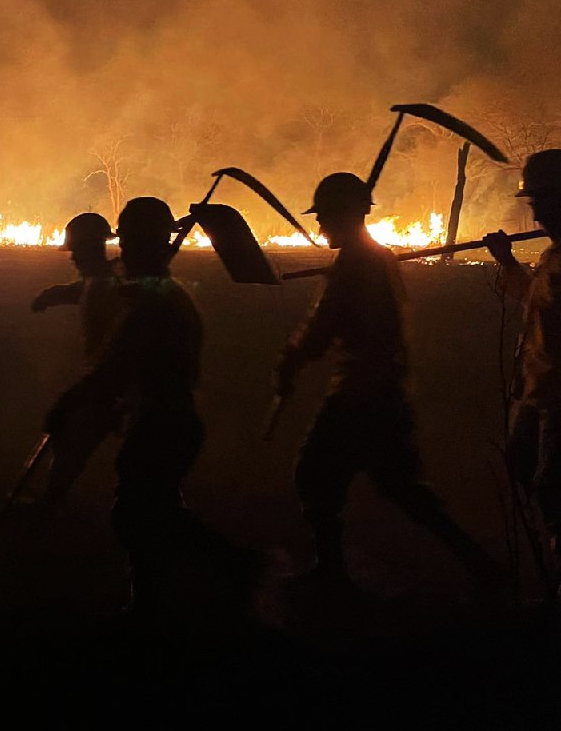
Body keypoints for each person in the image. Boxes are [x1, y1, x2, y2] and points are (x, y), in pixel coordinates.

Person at [276, 172, 496, 590]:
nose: (320, 225)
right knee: (401, 487)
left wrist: (293, 359)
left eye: (326, 216)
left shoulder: (361, 263)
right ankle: (479, 563)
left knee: (316, 476)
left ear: (348, 215)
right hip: (380, 387)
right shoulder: (368, 259)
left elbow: (327, 324)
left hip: (363, 390)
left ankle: (332, 574)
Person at [48, 197, 256, 610]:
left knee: (140, 516)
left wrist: (70, 402)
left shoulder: (157, 299)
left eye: (130, 246)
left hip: (165, 421)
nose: (122, 253)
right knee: (145, 514)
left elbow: (116, 364)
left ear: (151, 246)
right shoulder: (153, 292)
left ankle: (234, 568)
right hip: (158, 419)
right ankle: (154, 602)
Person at [484, 149, 561, 576]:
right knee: (521, 461)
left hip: (557, 397)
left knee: (552, 488)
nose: (537, 218)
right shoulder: (552, 255)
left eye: (543, 205)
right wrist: (508, 262)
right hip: (538, 391)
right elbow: (536, 300)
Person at [31, 212, 125, 504]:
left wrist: (79, 392)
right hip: (111, 383)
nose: (72, 259)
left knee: (73, 437)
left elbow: (96, 293)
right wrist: (53, 294)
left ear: (91, 249)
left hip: (117, 384)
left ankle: (48, 505)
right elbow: (84, 290)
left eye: (76, 252)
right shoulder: (104, 280)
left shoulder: (112, 284)